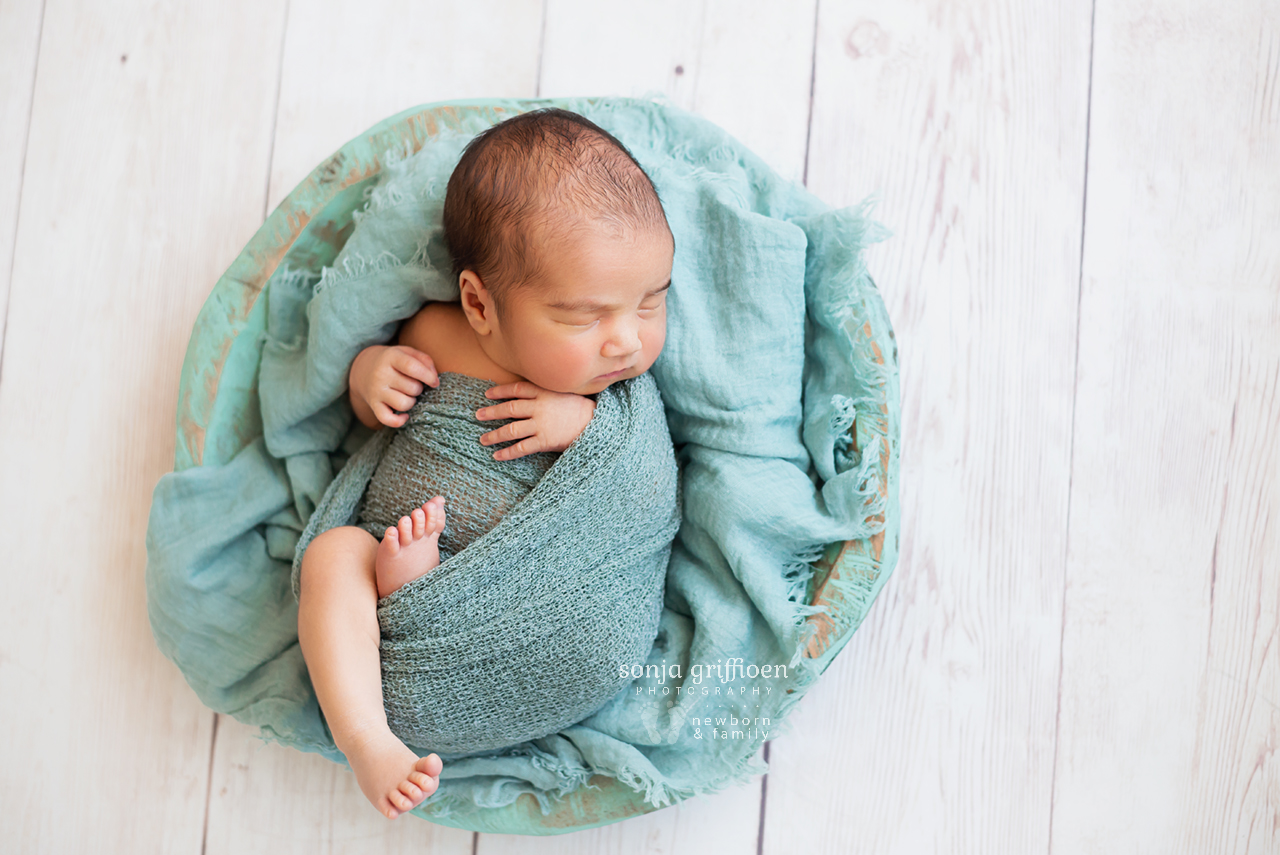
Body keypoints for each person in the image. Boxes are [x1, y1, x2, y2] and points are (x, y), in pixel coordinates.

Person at [295, 108, 675, 820]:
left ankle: (418, 579)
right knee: (334, 555)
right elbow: (372, 411)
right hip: (402, 648)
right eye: (585, 316)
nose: (626, 341)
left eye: (651, 301)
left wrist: (585, 428)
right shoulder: (431, 331)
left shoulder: (611, 392)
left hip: (558, 619)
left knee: (363, 552)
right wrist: (371, 377)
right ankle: (368, 736)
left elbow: (646, 486)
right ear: (479, 302)